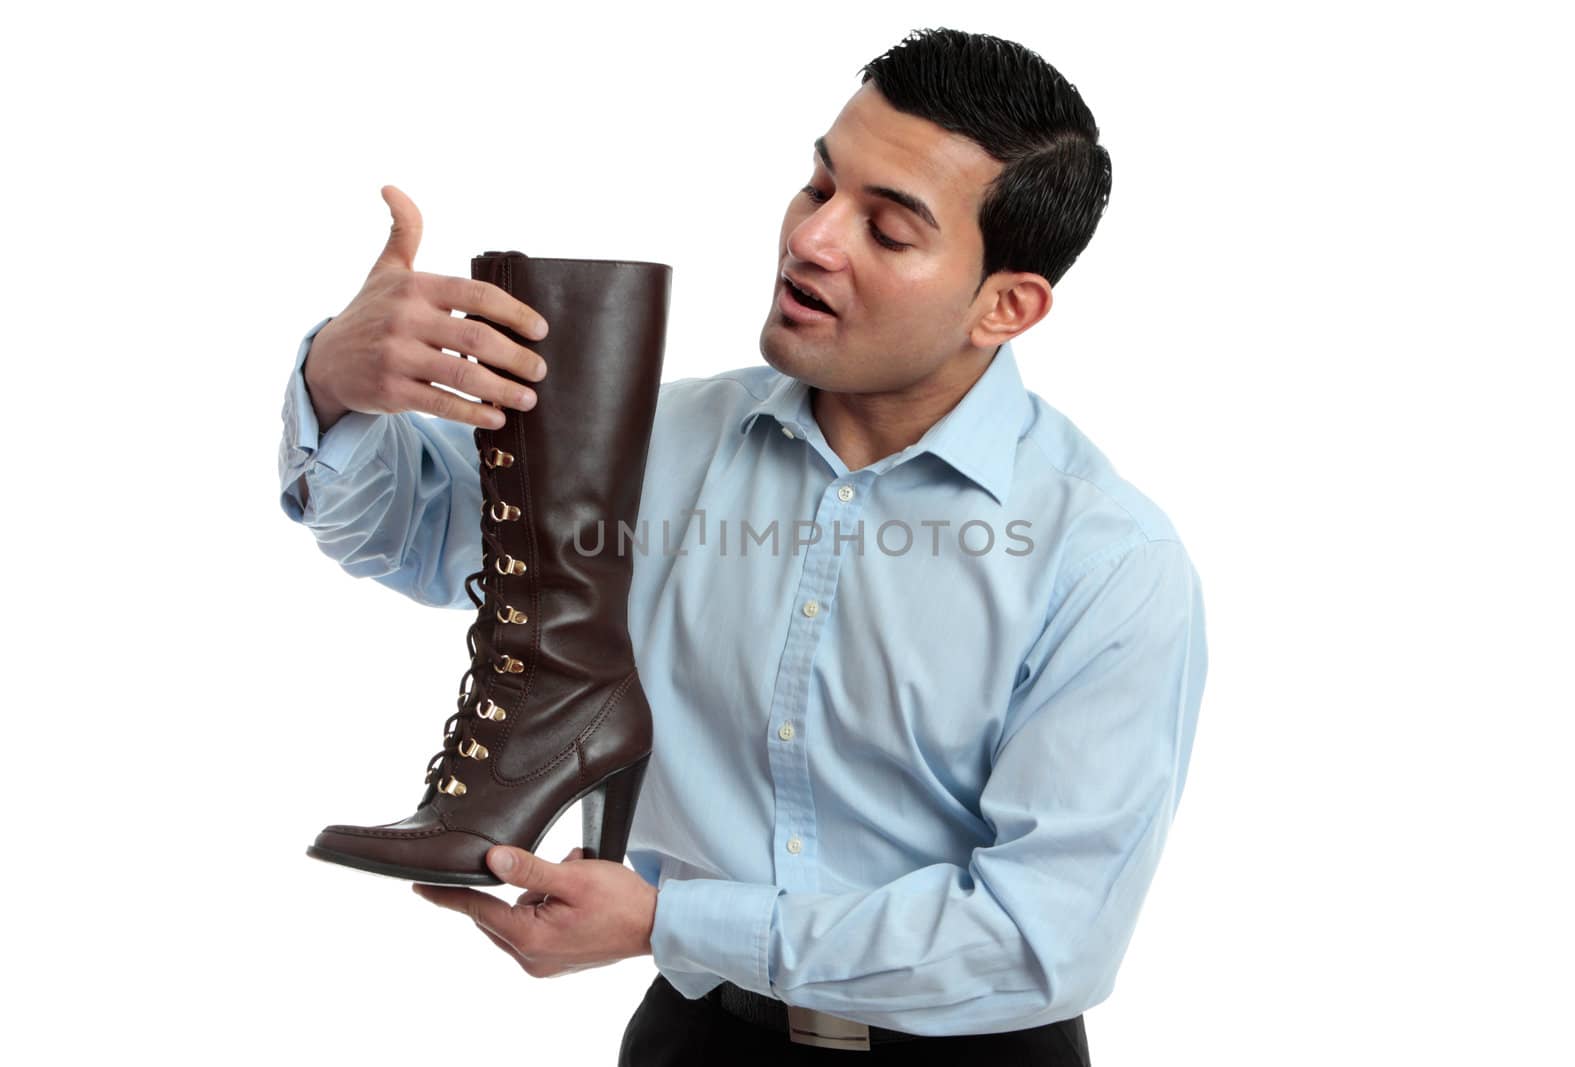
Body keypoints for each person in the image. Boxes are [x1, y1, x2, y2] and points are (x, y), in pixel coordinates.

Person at [276, 26, 1207, 1066]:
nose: (812, 240)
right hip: (695, 1041)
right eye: (818, 188)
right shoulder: (654, 444)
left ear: (1006, 304)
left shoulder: (1105, 562)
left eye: (887, 231)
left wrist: (669, 921)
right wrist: (337, 384)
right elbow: (413, 530)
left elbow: (1046, 938)